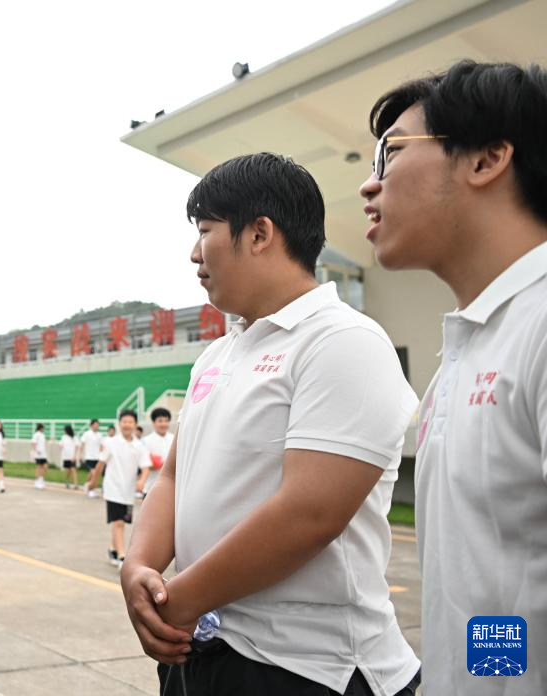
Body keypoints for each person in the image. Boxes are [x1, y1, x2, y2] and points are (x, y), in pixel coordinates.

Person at [121, 155, 421, 696]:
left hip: (305, 667)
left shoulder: (341, 341)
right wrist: (138, 566)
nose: (194, 254)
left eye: (206, 231)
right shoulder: (217, 354)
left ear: (259, 233)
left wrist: (177, 599)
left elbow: (309, 513)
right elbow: (173, 478)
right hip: (205, 647)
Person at [359, 60, 547, 695]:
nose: (369, 185)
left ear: (487, 158)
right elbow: (494, 587)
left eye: (390, 155)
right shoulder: (469, 347)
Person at [87, 410, 149, 569]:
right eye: (124, 421)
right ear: (119, 423)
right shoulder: (111, 443)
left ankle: (113, 549)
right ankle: (123, 557)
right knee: (118, 522)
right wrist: (93, 482)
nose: (127, 424)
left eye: (130, 422)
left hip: (128, 491)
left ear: (135, 424)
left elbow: (145, 466)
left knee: (122, 522)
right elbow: (100, 464)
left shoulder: (139, 446)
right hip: (113, 489)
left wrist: (142, 480)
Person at [136, 407, 172, 498]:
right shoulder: (145, 441)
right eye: (160, 421)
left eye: (166, 421)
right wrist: (158, 463)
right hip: (150, 487)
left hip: (171, 488)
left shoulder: (174, 439)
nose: (163, 424)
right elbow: (146, 465)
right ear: (154, 422)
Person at [77, 419, 103, 496]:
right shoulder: (86, 434)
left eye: (98, 425)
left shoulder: (100, 435)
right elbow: (82, 445)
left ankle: (87, 485)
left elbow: (101, 446)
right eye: (95, 424)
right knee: (93, 473)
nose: (97, 426)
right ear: (91, 425)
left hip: (97, 457)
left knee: (94, 474)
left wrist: (101, 456)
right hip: (88, 457)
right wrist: (80, 455)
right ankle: (91, 489)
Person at [60, 425, 78, 489]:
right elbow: (61, 445)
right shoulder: (63, 437)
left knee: (73, 470)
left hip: (72, 456)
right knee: (68, 471)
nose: (64, 431)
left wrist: (75, 456)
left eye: (65, 430)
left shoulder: (74, 437)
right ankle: (66, 481)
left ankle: (75, 484)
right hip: (66, 456)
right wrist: (61, 446)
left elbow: (76, 446)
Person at [31, 423, 48, 489]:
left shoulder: (43, 435)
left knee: (45, 466)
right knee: (39, 467)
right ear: (40, 428)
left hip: (43, 454)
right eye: (43, 428)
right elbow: (33, 443)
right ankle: (37, 482)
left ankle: (41, 480)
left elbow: (43, 443)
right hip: (38, 454)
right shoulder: (36, 434)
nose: (44, 429)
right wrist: (36, 451)